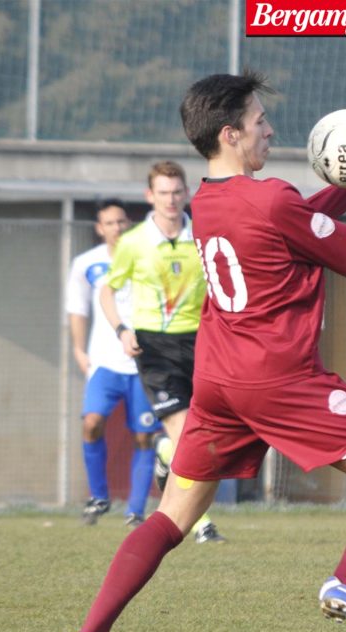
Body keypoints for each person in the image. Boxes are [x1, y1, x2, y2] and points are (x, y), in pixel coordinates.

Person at [55, 71, 346, 632]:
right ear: (230, 134)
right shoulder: (272, 196)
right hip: (278, 378)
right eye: (260, 121)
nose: (270, 130)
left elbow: (289, 224)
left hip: (218, 384)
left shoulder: (208, 202)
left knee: (170, 517)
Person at [98, 160, 223, 544]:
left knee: (207, 438)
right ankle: (202, 524)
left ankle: (165, 454)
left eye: (176, 192)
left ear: (186, 193)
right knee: (188, 437)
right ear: (149, 196)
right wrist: (122, 330)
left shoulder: (202, 235)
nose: (171, 200)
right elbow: (108, 290)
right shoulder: (133, 242)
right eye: (163, 193)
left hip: (201, 343)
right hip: (154, 347)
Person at [66, 199, 160, 528]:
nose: (117, 228)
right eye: (110, 223)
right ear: (99, 228)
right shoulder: (86, 264)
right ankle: (99, 497)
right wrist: (79, 350)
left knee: (144, 437)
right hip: (104, 363)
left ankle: (135, 510)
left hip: (142, 363)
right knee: (91, 423)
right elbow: (77, 309)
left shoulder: (146, 256)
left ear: (128, 224)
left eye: (121, 222)